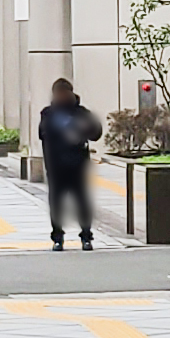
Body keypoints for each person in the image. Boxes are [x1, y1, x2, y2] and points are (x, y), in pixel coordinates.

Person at [38, 78, 101, 251]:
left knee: (82, 201)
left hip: (78, 165)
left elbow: (96, 133)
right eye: (59, 94)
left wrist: (84, 127)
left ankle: (86, 236)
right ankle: (58, 237)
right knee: (56, 203)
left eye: (65, 93)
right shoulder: (48, 114)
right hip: (56, 166)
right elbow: (43, 133)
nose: (62, 97)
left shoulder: (81, 113)